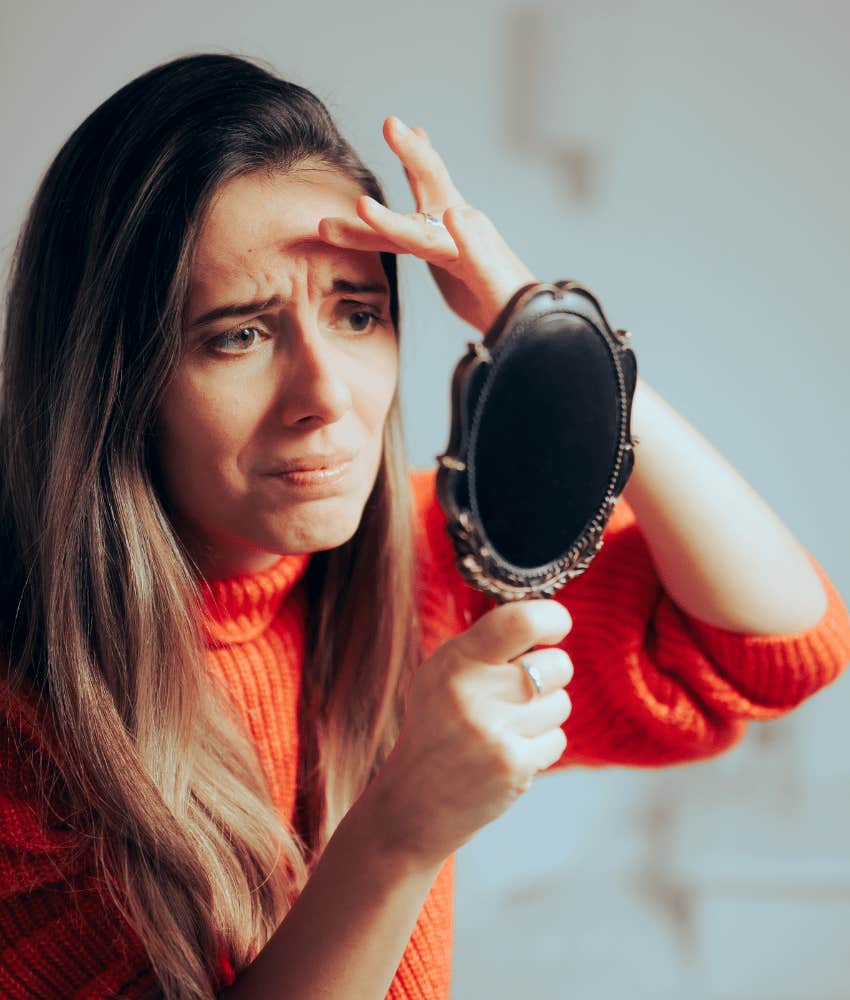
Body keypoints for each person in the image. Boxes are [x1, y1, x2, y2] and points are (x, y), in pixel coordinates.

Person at [0, 52, 847, 1000]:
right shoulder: (30, 722)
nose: (326, 395)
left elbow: (779, 644)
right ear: (113, 379)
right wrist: (398, 833)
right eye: (238, 334)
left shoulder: (423, 560)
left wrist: (545, 327)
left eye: (357, 315)